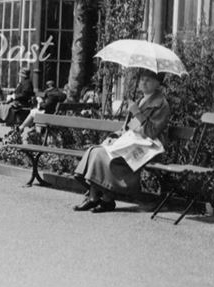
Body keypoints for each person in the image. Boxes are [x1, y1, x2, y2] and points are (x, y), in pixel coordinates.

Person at [73, 70, 171, 214]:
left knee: (104, 155)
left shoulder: (161, 104)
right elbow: (128, 128)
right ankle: (94, 197)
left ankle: (105, 199)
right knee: (95, 150)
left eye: (148, 80)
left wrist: (137, 112)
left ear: (157, 84)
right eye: (142, 79)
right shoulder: (139, 100)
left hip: (148, 145)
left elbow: (151, 132)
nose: (143, 82)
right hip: (131, 141)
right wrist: (115, 136)